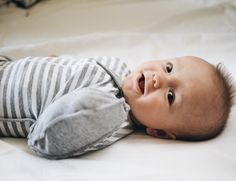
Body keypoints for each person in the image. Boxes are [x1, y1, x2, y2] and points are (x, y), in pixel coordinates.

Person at [0, 55, 235, 159]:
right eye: (169, 68)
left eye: (171, 96)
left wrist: (97, 108)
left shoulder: (109, 114)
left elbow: (46, 138)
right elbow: (78, 70)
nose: (159, 79)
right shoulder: (121, 69)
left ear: (159, 131)